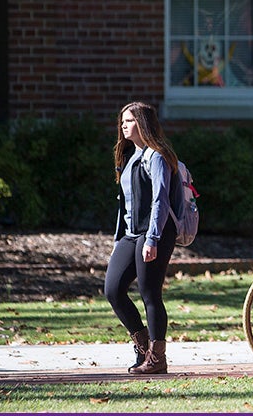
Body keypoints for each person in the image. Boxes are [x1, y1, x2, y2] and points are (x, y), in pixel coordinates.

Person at [104, 101, 182, 375]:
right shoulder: (129, 157)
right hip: (130, 233)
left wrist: (152, 238)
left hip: (154, 232)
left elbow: (160, 200)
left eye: (129, 120)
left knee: (150, 293)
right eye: (122, 121)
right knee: (112, 290)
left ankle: (157, 358)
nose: (123, 125)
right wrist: (118, 239)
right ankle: (142, 346)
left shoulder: (157, 156)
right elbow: (124, 203)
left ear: (143, 123)